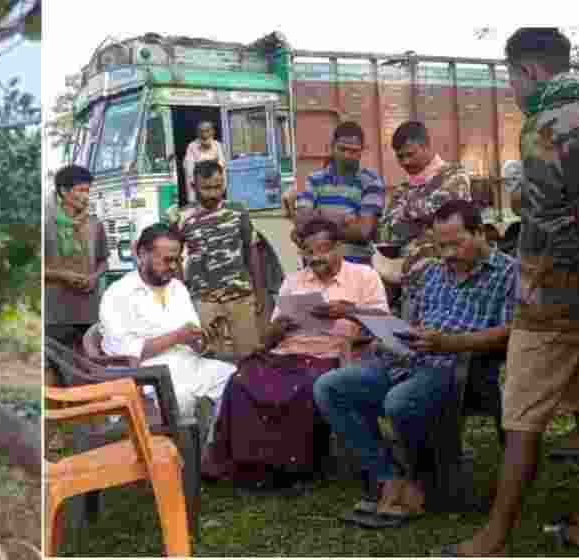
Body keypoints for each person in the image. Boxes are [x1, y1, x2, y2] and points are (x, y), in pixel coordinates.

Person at [439, 28, 579, 556]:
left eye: (511, 79)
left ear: (530, 72)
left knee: (520, 415)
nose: (512, 91)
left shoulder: (546, 124)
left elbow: (554, 219)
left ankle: (493, 537)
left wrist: (526, 206)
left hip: (551, 299)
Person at [315, 199, 515, 529]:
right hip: (409, 358)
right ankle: (391, 479)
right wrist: (388, 333)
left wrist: (449, 343)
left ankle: (426, 483)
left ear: (481, 233)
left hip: (459, 366)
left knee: (400, 400)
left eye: (456, 243)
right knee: (330, 387)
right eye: (441, 246)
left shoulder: (507, 272)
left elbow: (510, 332)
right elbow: (411, 321)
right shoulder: (433, 272)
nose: (448, 254)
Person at [202, 218, 389, 482]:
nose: (315, 259)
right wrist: (283, 323)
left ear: (339, 249)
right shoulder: (294, 281)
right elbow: (269, 338)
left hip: (333, 353)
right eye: (308, 252)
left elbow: (383, 325)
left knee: (303, 385)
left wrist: (347, 311)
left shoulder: (364, 276)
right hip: (289, 352)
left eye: (322, 251)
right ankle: (249, 463)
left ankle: (292, 467)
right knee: (241, 380)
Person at [99, 223, 236, 425]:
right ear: (142, 253)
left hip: (189, 364)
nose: (173, 267)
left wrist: (201, 341)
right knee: (182, 398)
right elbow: (124, 353)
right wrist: (177, 337)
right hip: (148, 376)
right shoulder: (117, 294)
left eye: (177, 260)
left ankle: (217, 445)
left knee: (236, 379)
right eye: (167, 260)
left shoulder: (177, 287)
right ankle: (186, 450)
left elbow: (192, 336)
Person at [165, 159, 265, 356]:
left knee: (250, 356)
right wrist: (181, 294)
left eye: (217, 187)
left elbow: (252, 251)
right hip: (203, 299)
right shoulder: (182, 217)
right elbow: (173, 258)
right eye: (206, 188)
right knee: (209, 358)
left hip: (240, 295)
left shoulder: (238, 211)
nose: (212, 193)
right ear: (193, 186)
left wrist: (259, 291)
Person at [375, 120, 471, 315]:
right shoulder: (403, 188)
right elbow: (387, 230)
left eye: (410, 154)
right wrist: (421, 217)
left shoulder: (454, 176)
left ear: (427, 147)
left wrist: (409, 212)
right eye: (400, 157)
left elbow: (445, 215)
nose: (405, 162)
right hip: (408, 283)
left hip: (447, 278)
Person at [294, 121, 386, 266]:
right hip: (316, 265)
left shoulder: (371, 182)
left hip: (356, 266)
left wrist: (319, 217)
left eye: (353, 151)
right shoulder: (314, 179)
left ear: (362, 150)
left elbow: (363, 232)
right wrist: (344, 220)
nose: (347, 156)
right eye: (342, 149)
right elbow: (301, 224)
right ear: (332, 147)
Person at [44, 165, 109, 348]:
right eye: (80, 190)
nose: (86, 196)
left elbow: (104, 262)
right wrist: (65, 276)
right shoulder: (46, 225)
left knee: (90, 364)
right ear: (64, 191)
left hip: (89, 312)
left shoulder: (94, 224)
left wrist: (94, 277)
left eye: (88, 190)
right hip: (55, 313)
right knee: (56, 367)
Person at [182, 121, 225, 204]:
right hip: (198, 187)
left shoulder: (217, 145)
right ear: (197, 133)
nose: (204, 134)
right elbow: (189, 168)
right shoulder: (192, 146)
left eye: (207, 131)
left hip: (213, 184)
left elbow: (221, 165)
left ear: (213, 132)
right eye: (201, 131)